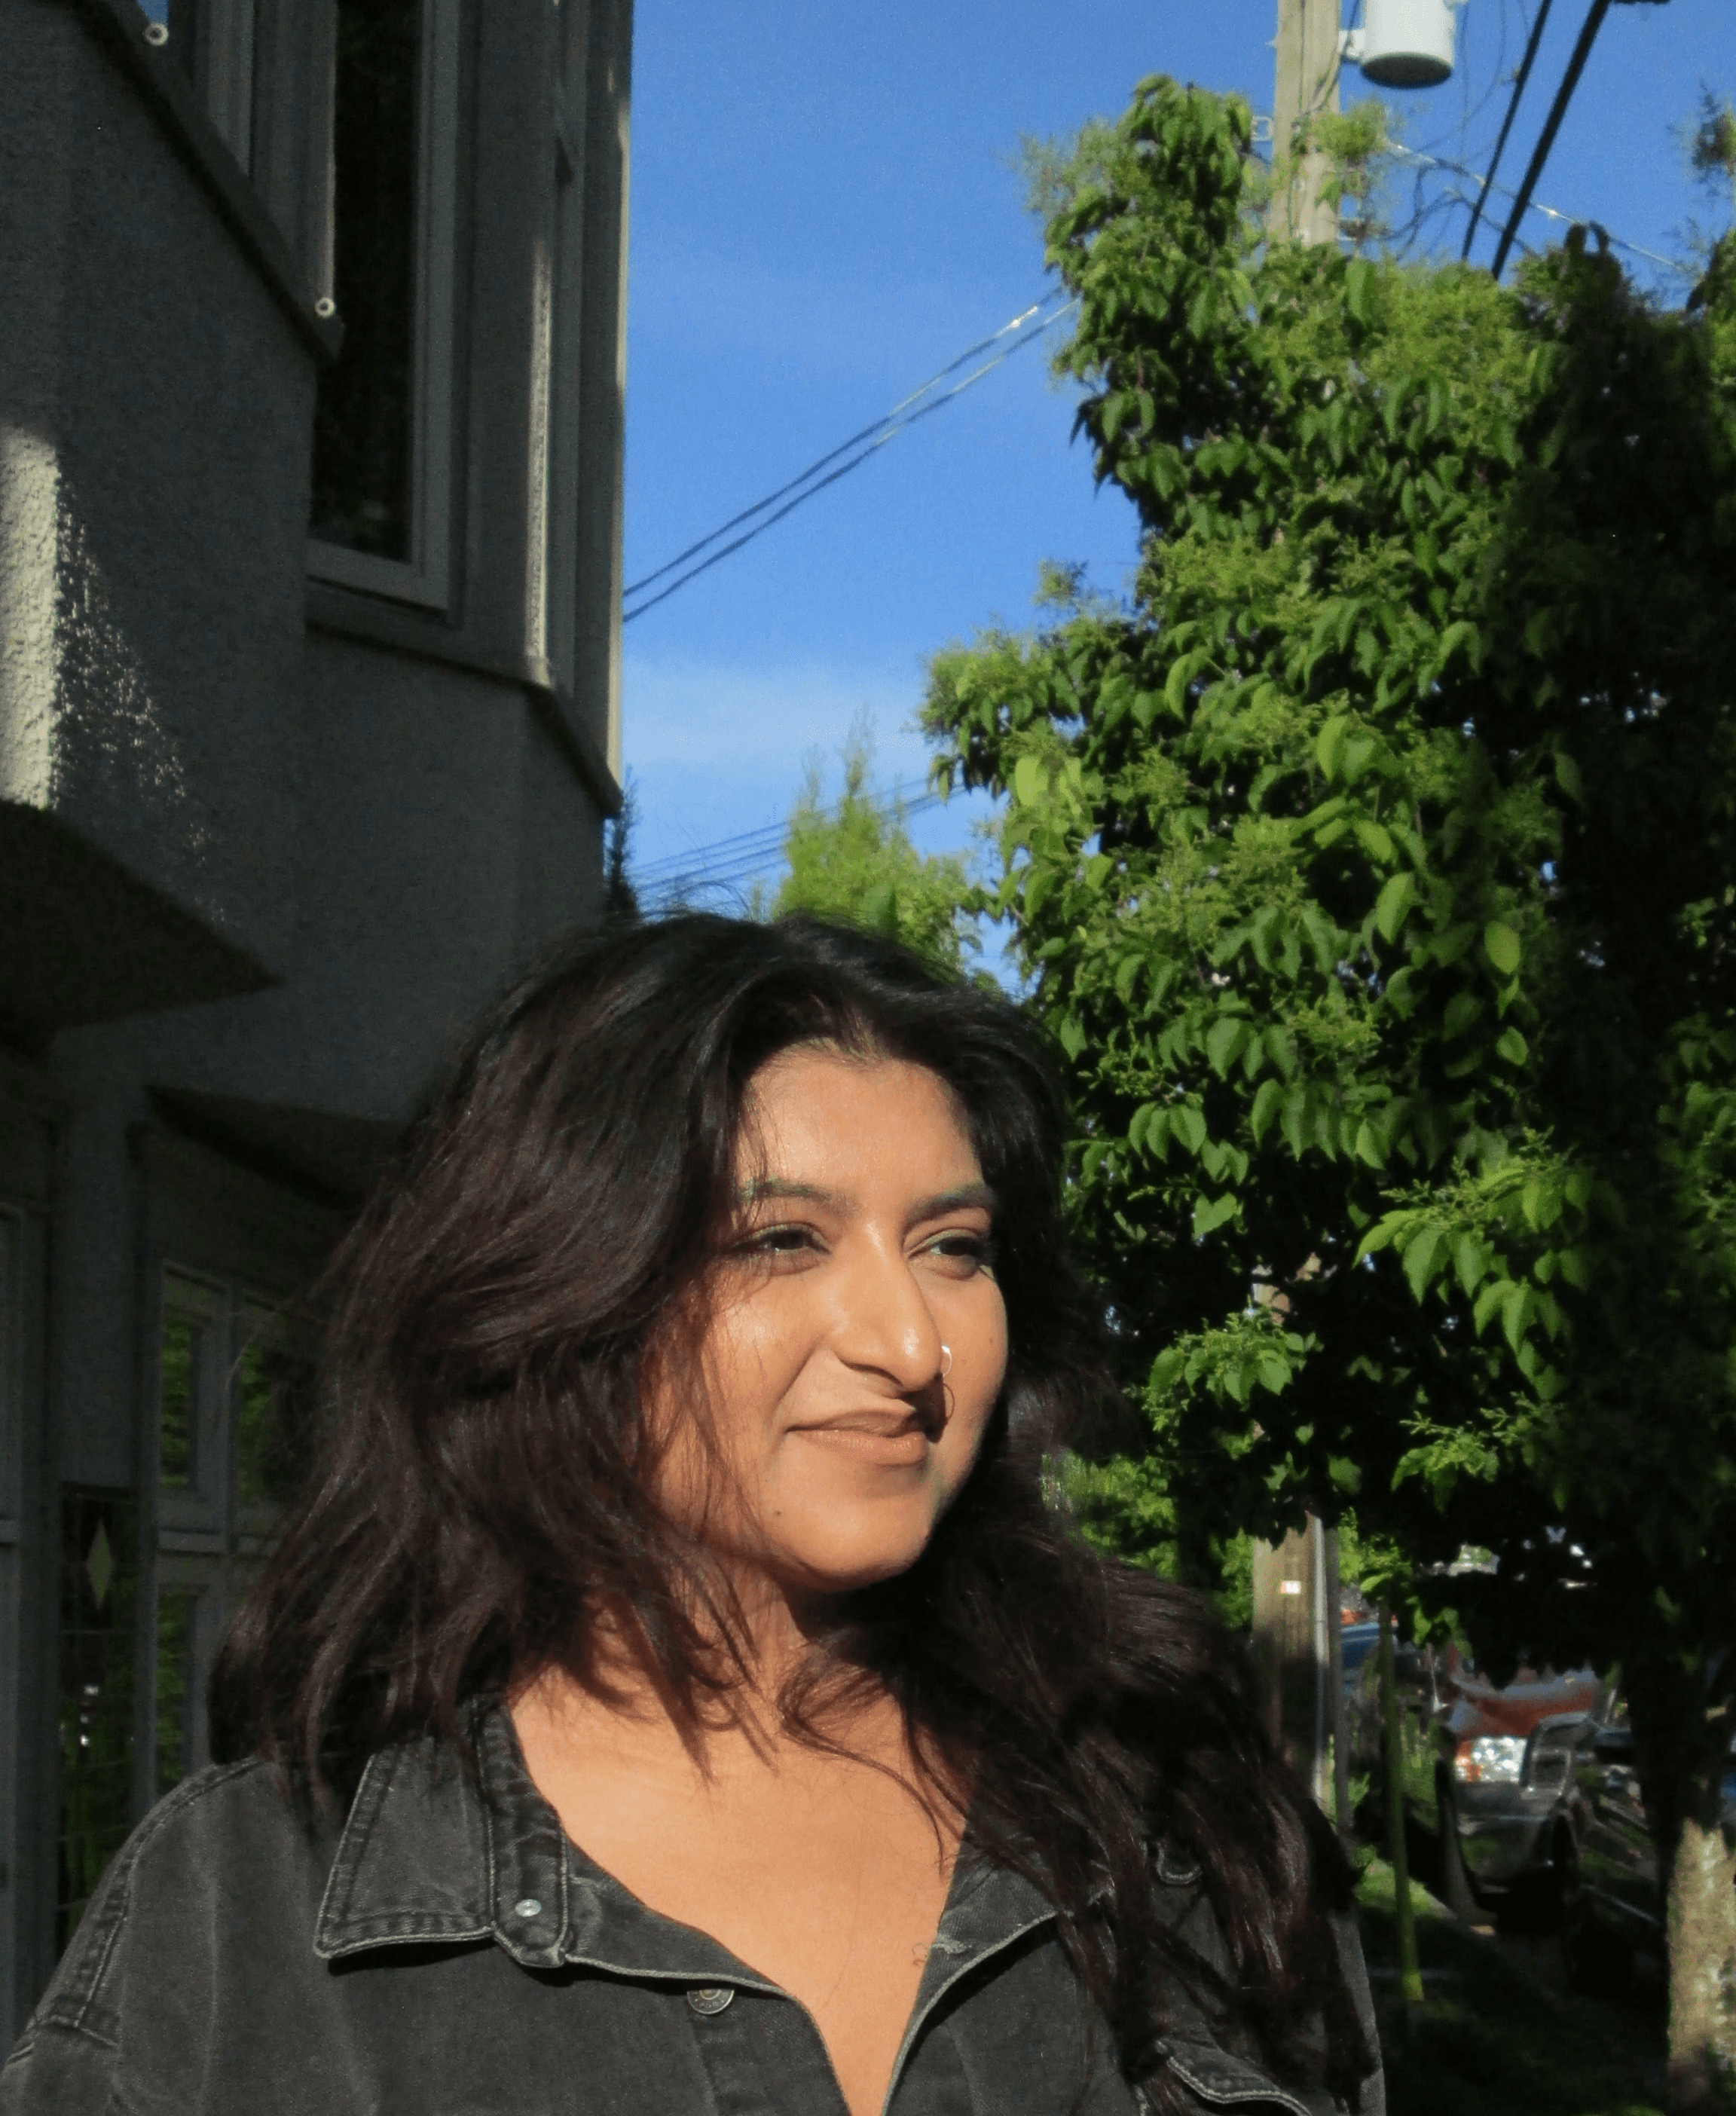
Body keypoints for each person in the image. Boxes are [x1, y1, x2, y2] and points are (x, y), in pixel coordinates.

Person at [1, 914, 1383, 2116]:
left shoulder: (1188, 1832)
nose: (911, 1343)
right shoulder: (243, 1917)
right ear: (561, 1296)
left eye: (954, 1249)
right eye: (780, 1240)